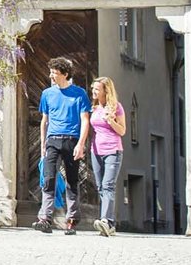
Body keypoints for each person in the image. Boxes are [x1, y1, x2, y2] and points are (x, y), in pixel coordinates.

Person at [34, 56, 90, 234]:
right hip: (53, 140)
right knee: (49, 179)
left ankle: (72, 220)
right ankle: (45, 219)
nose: (51, 76)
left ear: (65, 74)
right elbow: (44, 120)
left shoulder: (80, 94)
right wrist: (43, 144)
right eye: (50, 72)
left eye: (54, 73)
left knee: (72, 181)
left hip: (72, 140)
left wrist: (81, 144)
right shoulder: (47, 94)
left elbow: (85, 121)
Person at [89, 76, 128, 237]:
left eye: (97, 89)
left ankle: (106, 220)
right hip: (96, 151)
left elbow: (123, 131)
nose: (94, 91)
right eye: (93, 88)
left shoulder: (116, 107)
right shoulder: (95, 108)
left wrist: (111, 121)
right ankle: (109, 223)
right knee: (100, 186)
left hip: (113, 150)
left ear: (106, 91)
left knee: (108, 185)